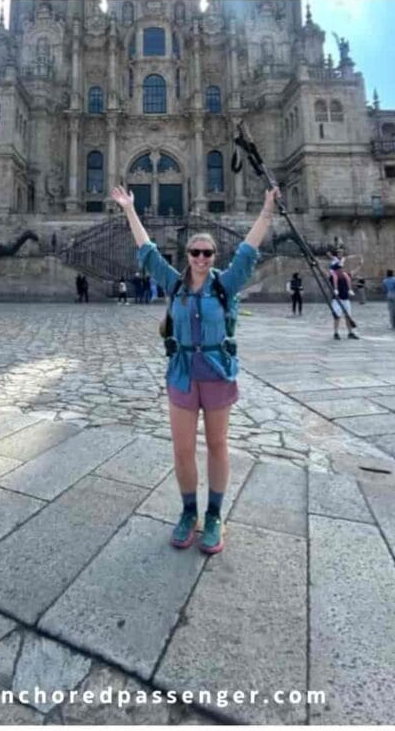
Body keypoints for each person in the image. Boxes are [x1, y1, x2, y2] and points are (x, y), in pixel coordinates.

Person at [110, 182, 279, 555]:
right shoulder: (174, 284)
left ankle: (214, 515)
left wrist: (267, 210)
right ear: (187, 255)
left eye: (207, 252)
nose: (201, 258)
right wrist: (129, 210)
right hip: (183, 373)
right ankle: (189, 512)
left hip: (217, 371)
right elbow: (148, 251)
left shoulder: (227, 285)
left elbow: (249, 250)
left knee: (218, 446)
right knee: (182, 450)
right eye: (195, 252)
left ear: (214, 256)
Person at [328, 259, 358, 340]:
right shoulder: (332, 277)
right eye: (339, 269)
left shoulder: (346, 276)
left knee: (348, 316)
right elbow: (325, 272)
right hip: (337, 300)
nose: (341, 270)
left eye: (341, 268)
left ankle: (350, 332)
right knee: (337, 316)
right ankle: (336, 333)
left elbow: (353, 272)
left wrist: (359, 265)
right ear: (336, 270)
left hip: (346, 299)